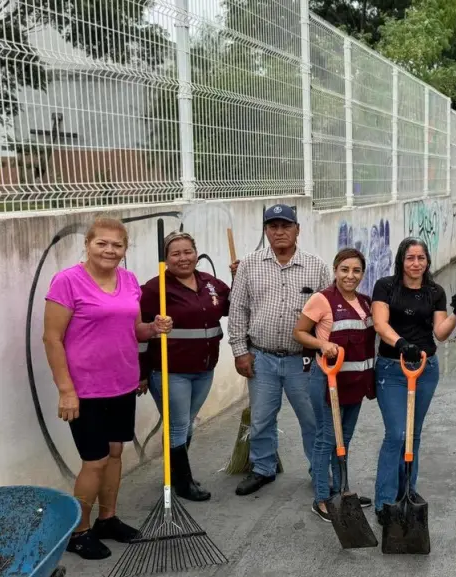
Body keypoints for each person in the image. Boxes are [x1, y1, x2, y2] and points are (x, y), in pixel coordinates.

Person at [42, 217, 173, 560]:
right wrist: (65, 390)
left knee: (116, 454)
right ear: (87, 244)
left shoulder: (129, 281)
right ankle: (79, 531)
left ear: (125, 250)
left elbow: (135, 331)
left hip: (123, 383)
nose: (109, 250)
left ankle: (107, 519)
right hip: (84, 391)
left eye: (117, 245)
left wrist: (154, 327)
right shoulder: (67, 282)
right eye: (102, 243)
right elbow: (52, 339)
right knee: (95, 461)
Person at [227, 204, 331, 496]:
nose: (280, 232)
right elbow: (238, 310)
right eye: (273, 227)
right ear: (266, 231)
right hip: (262, 358)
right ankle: (263, 468)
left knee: (313, 419)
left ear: (298, 229)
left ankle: (320, 471)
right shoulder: (249, 265)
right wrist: (239, 351)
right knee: (261, 419)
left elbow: (327, 313)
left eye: (286, 226)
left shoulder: (316, 266)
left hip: (304, 361)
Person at [371, 237, 456, 522]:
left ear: (427, 261)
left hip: (425, 368)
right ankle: (385, 500)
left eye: (421, 258)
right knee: (396, 434)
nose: (416, 263)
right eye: (410, 258)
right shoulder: (385, 286)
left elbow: (441, 333)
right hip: (392, 368)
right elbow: (380, 323)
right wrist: (400, 344)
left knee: (414, 434)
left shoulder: (434, 291)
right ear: (401, 260)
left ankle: (407, 490)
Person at [140, 231, 230, 502]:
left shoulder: (211, 283)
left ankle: (175, 474)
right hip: (170, 370)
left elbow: (231, 306)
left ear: (196, 253)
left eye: (188, 252)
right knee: (178, 425)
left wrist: (240, 278)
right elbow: (139, 333)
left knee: (187, 424)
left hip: (204, 369)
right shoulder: (154, 289)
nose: (183, 258)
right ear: (166, 259)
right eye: (175, 253)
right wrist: (141, 373)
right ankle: (183, 483)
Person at [293, 248, 376, 521]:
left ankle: (343, 491)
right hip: (328, 382)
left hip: (356, 383)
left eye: (356, 271)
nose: (350, 276)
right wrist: (322, 343)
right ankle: (321, 498)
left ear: (362, 273)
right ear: (335, 270)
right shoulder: (322, 300)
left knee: (345, 440)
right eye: (344, 269)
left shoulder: (365, 302)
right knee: (326, 439)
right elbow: (300, 332)